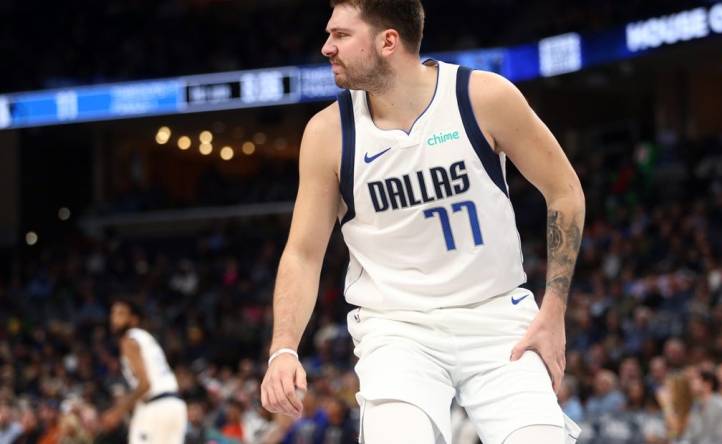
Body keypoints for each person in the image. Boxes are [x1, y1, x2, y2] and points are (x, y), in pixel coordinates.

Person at [259, 0, 586, 442]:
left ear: (388, 41)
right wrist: (283, 346)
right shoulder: (328, 133)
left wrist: (554, 311)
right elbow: (302, 252)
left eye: (340, 35)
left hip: (496, 316)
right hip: (397, 330)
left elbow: (565, 192)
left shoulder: (482, 97)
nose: (326, 48)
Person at [104, 299, 188, 443]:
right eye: (113, 313)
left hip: (156, 406)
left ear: (134, 319)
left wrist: (118, 411)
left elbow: (145, 384)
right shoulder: (147, 338)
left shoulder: (128, 340)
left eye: (121, 313)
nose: (114, 318)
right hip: (175, 405)